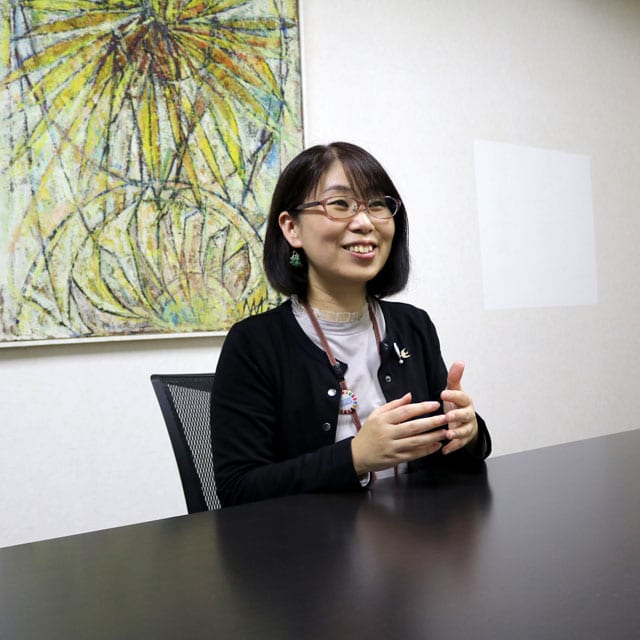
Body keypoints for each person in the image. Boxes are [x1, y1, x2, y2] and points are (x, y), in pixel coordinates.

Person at [211, 142, 491, 507]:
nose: (364, 222)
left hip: (417, 534)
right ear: (292, 228)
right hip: (310, 540)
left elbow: (456, 457)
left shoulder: (413, 325)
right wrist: (355, 457)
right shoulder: (254, 343)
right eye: (340, 204)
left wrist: (467, 431)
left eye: (377, 205)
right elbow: (238, 489)